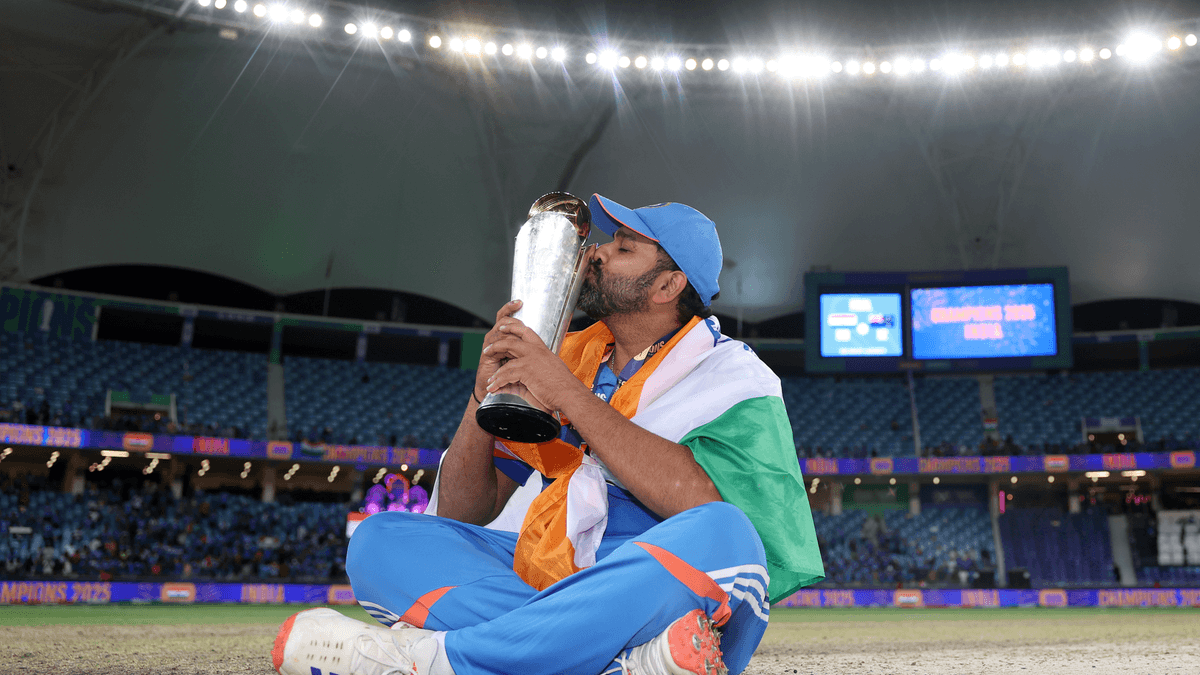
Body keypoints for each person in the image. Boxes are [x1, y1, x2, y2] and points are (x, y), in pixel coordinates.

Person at [272, 194, 824, 675]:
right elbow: (465, 512)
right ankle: (622, 663)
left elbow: (701, 504)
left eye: (625, 248)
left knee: (726, 535)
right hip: (553, 582)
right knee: (380, 542)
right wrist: (482, 395)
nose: (598, 253)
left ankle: (440, 660)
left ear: (668, 285)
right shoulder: (573, 356)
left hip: (653, 588)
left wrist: (570, 397)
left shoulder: (734, 375)